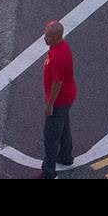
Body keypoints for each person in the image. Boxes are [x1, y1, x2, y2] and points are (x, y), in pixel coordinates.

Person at [42, 21, 78, 178]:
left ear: (57, 37)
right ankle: (65, 157)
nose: (45, 38)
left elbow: (57, 83)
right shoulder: (59, 47)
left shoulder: (58, 56)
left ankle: (49, 172)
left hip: (60, 100)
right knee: (63, 127)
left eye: (48, 36)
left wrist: (50, 105)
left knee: (50, 135)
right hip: (66, 97)